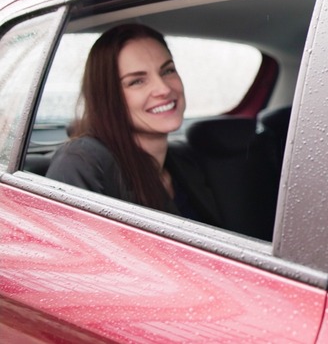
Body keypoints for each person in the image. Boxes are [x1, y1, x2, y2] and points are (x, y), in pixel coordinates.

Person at [47, 23, 222, 226]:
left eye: (167, 71)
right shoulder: (81, 162)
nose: (163, 89)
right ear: (107, 97)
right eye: (137, 81)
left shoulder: (184, 163)